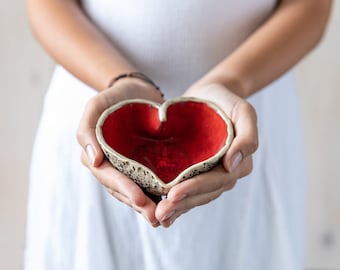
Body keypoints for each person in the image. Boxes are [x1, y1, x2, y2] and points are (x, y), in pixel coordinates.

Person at [24, 0, 332, 269]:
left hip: (241, 119)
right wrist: (118, 80)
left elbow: (312, 5)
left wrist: (230, 81)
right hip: (100, 113)